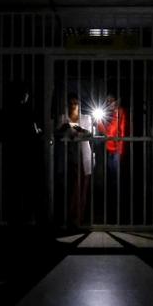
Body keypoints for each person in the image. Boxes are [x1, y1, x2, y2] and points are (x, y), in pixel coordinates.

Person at [0, 81, 42, 227]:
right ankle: (27, 219)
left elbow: (0, 135)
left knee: (13, 190)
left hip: (11, 155)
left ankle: (13, 220)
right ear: (25, 95)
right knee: (27, 188)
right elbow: (34, 133)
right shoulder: (28, 112)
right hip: (26, 156)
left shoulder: (6, 111)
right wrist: (38, 133)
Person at [56, 93, 93, 228]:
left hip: (83, 157)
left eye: (75, 103)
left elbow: (89, 134)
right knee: (70, 188)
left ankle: (79, 218)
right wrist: (64, 128)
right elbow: (57, 135)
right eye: (71, 103)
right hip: (69, 158)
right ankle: (68, 217)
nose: (73, 105)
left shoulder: (86, 118)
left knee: (82, 188)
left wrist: (79, 129)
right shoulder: (63, 118)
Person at [96, 93, 127, 182]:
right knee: (111, 172)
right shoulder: (108, 114)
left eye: (111, 101)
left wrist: (120, 148)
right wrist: (99, 122)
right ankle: (113, 192)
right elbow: (105, 132)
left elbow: (122, 130)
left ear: (117, 101)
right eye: (107, 101)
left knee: (116, 173)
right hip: (109, 148)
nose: (109, 103)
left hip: (118, 148)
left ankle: (117, 192)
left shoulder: (120, 112)